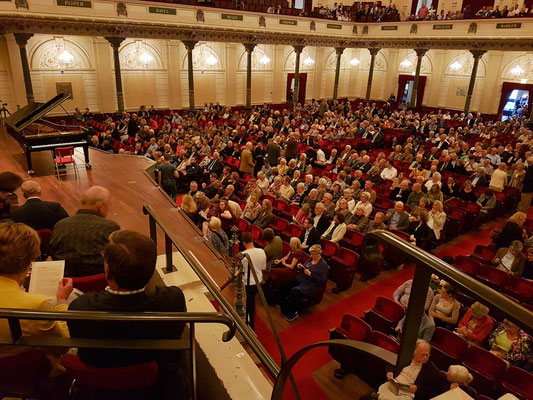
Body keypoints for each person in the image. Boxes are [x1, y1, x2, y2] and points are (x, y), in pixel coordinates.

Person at [68, 230, 187, 398]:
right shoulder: (173, 300)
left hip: (101, 391)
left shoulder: (80, 307)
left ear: (107, 271)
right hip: (159, 389)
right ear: (151, 271)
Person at [0, 221, 72, 375]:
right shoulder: (36, 304)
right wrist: (62, 303)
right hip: (25, 373)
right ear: (28, 262)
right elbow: (63, 344)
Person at [50, 186, 120, 277]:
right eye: (108, 205)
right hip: (100, 283)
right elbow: (117, 259)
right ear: (101, 206)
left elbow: (53, 254)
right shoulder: (110, 227)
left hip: (67, 284)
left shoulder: (59, 225)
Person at [375, 340, 440, 400]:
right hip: (394, 384)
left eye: (427, 355)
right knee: (384, 387)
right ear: (415, 352)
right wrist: (389, 372)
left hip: (407, 392)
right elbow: (391, 364)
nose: (426, 357)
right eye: (423, 355)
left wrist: (417, 388)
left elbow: (431, 389)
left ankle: (380, 397)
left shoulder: (431, 369)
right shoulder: (405, 356)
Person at [280, 244, 328, 322]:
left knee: (294, 293)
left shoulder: (323, 265)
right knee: (285, 283)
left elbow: (322, 281)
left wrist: (310, 274)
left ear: (317, 254)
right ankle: (285, 305)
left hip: (310, 284)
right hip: (302, 278)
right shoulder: (310, 259)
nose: (311, 255)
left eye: (312, 254)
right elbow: (305, 267)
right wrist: (301, 267)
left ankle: (295, 311)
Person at [240, 232, 267, 330]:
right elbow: (263, 267)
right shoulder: (261, 251)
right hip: (259, 281)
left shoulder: (243, 255)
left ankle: (250, 325)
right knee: (252, 303)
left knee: (250, 304)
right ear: (252, 240)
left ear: (243, 242)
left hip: (248, 284)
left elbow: (242, 271)